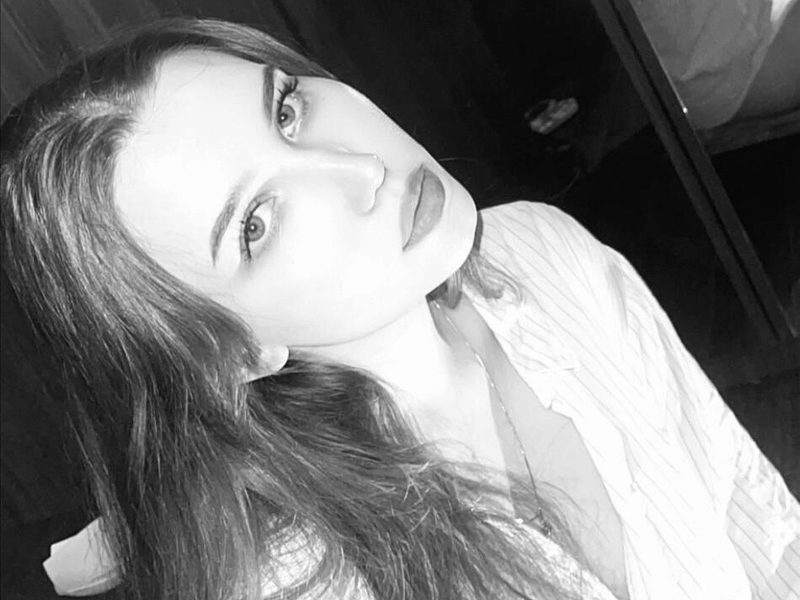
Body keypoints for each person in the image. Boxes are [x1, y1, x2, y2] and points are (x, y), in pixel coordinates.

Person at [0, 17, 796, 600]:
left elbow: (750, 508)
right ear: (230, 351)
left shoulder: (539, 248)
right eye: (255, 225)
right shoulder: (298, 581)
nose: (360, 169)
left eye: (286, 110)